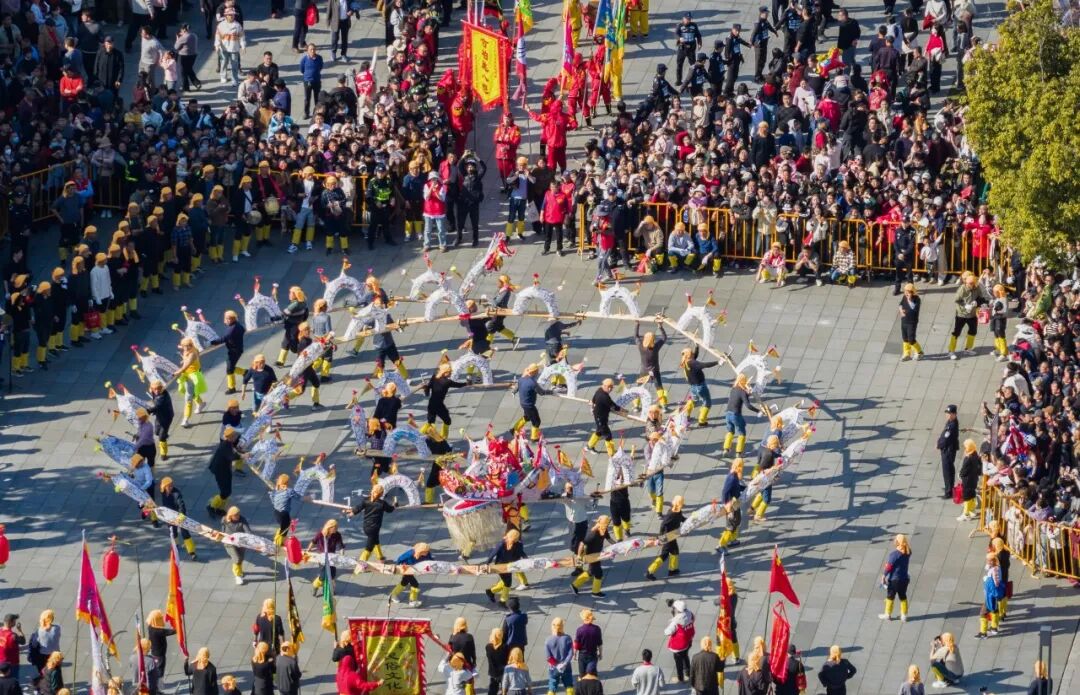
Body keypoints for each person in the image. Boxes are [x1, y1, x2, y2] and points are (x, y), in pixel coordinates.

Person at [347, 485, 395, 562]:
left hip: (366, 526)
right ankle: (361, 563)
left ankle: (380, 557)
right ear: (381, 494)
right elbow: (390, 510)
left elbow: (358, 508)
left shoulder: (366, 500)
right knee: (369, 547)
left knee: (376, 540)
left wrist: (351, 513)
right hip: (374, 528)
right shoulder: (382, 504)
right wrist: (394, 505)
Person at [948, 271, 989, 360]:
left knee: (973, 331)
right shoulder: (962, 289)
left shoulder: (977, 287)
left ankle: (968, 348)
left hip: (972, 314)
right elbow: (957, 300)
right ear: (966, 282)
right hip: (961, 314)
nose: (972, 285)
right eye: (970, 284)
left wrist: (976, 302)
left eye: (973, 283)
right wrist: (965, 305)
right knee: (956, 332)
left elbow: (981, 298)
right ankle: (951, 350)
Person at [646, 496, 686, 580]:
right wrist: (661, 537)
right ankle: (650, 571)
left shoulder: (678, 511)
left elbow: (681, 518)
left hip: (673, 535)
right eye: (681, 504)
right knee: (664, 555)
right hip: (667, 536)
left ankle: (673, 569)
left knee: (675, 551)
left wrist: (690, 521)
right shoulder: (671, 514)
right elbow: (663, 524)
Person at [485, 529, 529, 605]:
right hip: (504, 566)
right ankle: (502, 600)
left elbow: (492, 555)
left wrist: (487, 564)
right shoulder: (512, 544)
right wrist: (528, 560)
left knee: (505, 581)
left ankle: (491, 591)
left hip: (504, 565)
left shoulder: (502, 544)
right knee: (507, 583)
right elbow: (522, 553)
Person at [205, 428, 240, 517]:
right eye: (234, 435)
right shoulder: (225, 446)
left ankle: (219, 506)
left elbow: (233, 451)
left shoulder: (228, 443)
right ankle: (212, 506)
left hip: (225, 470)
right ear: (230, 437)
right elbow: (231, 456)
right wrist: (242, 456)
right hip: (220, 471)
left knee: (227, 491)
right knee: (225, 492)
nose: (236, 437)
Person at [879, 533, 912, 621]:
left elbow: (889, 566)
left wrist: (884, 576)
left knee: (890, 596)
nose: (894, 540)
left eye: (895, 539)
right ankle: (904, 616)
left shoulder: (894, 554)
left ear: (897, 542)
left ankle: (887, 614)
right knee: (903, 596)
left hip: (894, 580)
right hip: (904, 579)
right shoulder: (908, 552)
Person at [587, 379, 623, 457]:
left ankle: (589, 446)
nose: (610, 389)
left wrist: (592, 406)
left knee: (599, 432)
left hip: (599, 416)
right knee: (608, 435)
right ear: (605, 386)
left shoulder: (599, 390)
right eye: (609, 387)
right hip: (601, 418)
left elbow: (593, 399)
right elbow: (613, 406)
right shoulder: (604, 397)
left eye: (611, 387)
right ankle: (611, 453)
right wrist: (621, 409)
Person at [307, 519, 345, 595]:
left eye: (336, 528)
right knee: (323, 576)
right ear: (330, 527)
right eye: (335, 528)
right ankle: (315, 585)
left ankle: (329, 589)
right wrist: (308, 550)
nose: (336, 529)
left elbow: (341, 545)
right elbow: (313, 542)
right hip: (322, 558)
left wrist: (342, 554)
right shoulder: (320, 534)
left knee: (332, 575)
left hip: (332, 557)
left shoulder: (337, 535)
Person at [389, 542, 430, 607]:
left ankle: (393, 595)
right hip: (406, 569)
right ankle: (412, 601)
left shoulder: (427, 554)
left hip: (413, 569)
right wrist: (398, 568)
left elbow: (430, 561)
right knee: (415, 584)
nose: (427, 553)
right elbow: (400, 559)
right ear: (421, 551)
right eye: (426, 551)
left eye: (427, 551)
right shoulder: (410, 554)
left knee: (404, 582)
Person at [664, 600, 695, 683]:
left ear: (677, 610)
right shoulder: (690, 614)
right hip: (688, 640)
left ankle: (680, 678)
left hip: (678, 645)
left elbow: (667, 632)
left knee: (678, 662)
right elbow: (693, 619)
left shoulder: (676, 622)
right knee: (685, 656)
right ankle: (688, 673)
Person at [218, 506, 252, 584]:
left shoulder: (242, 520)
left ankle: (239, 571)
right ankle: (237, 576)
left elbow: (248, 531)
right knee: (237, 558)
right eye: (236, 515)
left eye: (238, 514)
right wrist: (221, 537)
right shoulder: (224, 520)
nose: (238, 516)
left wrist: (250, 539)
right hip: (229, 543)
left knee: (241, 558)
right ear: (231, 515)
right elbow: (222, 531)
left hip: (240, 542)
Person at [723, 374, 754, 456]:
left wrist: (747, 393)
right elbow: (748, 405)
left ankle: (726, 449)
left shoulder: (733, 389)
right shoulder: (742, 392)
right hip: (736, 415)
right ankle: (739, 452)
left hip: (728, 414)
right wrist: (758, 411)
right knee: (742, 433)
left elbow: (740, 396)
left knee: (730, 431)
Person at [276, 286, 309, 367]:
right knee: (287, 341)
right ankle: (280, 361)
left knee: (291, 344)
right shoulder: (303, 301)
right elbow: (306, 313)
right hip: (298, 324)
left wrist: (274, 317)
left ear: (296, 295)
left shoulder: (295, 304)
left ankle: (282, 361)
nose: (289, 294)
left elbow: (284, 314)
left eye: (291, 293)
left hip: (292, 326)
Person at [544, 618, 573, 695]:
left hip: (553, 668)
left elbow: (548, 658)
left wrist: (557, 665)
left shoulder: (548, 640)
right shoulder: (567, 638)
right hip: (566, 667)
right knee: (569, 687)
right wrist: (564, 664)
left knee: (552, 686)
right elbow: (570, 654)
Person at [936, 405, 959, 499]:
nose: (947, 415)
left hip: (948, 450)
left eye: (949, 413)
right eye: (947, 413)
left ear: (954, 414)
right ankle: (949, 488)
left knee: (947, 471)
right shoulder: (950, 422)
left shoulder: (952, 425)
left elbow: (946, 438)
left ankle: (948, 491)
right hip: (947, 449)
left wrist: (939, 445)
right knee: (949, 470)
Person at [573, 609, 603, 678]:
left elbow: (576, 644)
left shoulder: (580, 630)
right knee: (592, 674)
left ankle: (582, 682)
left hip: (582, 655)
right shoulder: (597, 629)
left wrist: (574, 654)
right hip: (593, 654)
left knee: (582, 674)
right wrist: (600, 654)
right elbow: (599, 643)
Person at [898, 283, 924, 361]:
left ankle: (919, 352)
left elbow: (914, 309)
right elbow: (900, 304)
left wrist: (909, 300)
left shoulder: (917, 299)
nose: (906, 293)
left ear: (912, 292)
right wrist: (901, 310)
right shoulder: (904, 297)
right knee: (905, 338)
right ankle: (907, 354)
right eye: (905, 291)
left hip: (912, 322)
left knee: (911, 339)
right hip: (904, 321)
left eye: (908, 292)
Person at [957, 438, 980, 521]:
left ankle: (966, 514)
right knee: (972, 495)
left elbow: (964, 470)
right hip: (974, 479)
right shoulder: (975, 454)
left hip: (967, 481)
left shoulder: (968, 458)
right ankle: (972, 510)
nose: (964, 448)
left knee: (966, 497)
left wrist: (960, 475)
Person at [299, 43, 324, 119]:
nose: (312, 51)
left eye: (314, 49)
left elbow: (320, 67)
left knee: (317, 98)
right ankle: (306, 113)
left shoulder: (319, 58)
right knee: (307, 98)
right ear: (308, 50)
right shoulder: (304, 59)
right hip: (307, 81)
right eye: (311, 49)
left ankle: (316, 112)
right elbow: (302, 69)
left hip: (317, 81)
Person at [483, 628, 508, 695]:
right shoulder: (505, 647)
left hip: (493, 672)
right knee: (504, 688)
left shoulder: (488, 647)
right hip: (503, 672)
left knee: (492, 689)